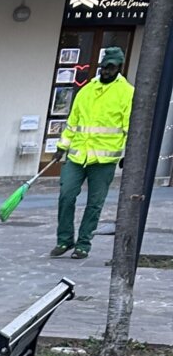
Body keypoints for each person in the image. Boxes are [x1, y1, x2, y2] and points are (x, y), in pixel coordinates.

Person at [52, 45, 133, 262]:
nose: (107, 70)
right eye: (105, 66)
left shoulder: (127, 93)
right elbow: (72, 123)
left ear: (119, 67)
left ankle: (83, 244)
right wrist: (62, 146)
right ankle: (64, 239)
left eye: (112, 67)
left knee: (94, 204)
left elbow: (130, 127)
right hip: (78, 156)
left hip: (104, 160)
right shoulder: (86, 90)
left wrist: (130, 154)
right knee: (66, 196)